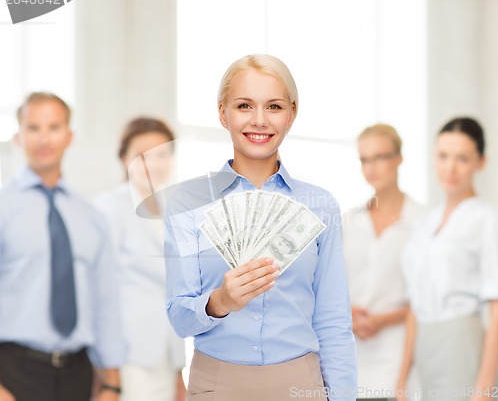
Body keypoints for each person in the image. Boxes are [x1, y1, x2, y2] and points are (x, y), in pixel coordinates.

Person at [164, 54, 357, 401]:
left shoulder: (320, 206)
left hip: (301, 384)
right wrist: (218, 301)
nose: (259, 120)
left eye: (274, 106)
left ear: (292, 113)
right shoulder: (186, 203)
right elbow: (179, 317)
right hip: (216, 384)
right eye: (244, 105)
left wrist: (344, 396)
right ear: (222, 112)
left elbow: (333, 323)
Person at [0, 92, 125, 401]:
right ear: (18, 136)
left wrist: (112, 383)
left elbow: (105, 300)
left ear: (69, 136)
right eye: (34, 128)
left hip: (78, 375)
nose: (44, 138)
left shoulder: (90, 217)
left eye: (54, 127)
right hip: (13, 372)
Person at [397, 117, 498, 401]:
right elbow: (414, 306)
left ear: (481, 162)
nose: (450, 168)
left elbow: (497, 307)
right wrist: (402, 378)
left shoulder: (487, 220)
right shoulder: (424, 224)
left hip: (463, 343)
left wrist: (485, 387)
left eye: (462, 158)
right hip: (425, 348)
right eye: (443, 156)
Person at [95, 117, 186, 401]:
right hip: (127, 354)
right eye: (142, 156)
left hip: (167, 351)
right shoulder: (108, 209)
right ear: (124, 160)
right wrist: (108, 371)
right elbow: (99, 291)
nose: (153, 164)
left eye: (162, 154)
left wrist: (178, 368)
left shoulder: (176, 211)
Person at [343, 124, 423, 400]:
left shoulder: (422, 222)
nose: (371, 167)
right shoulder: (347, 221)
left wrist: (383, 319)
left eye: (380, 157)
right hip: (350, 359)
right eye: (365, 159)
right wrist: (349, 313)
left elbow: (425, 298)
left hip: (398, 360)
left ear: (399, 158)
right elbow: (329, 286)